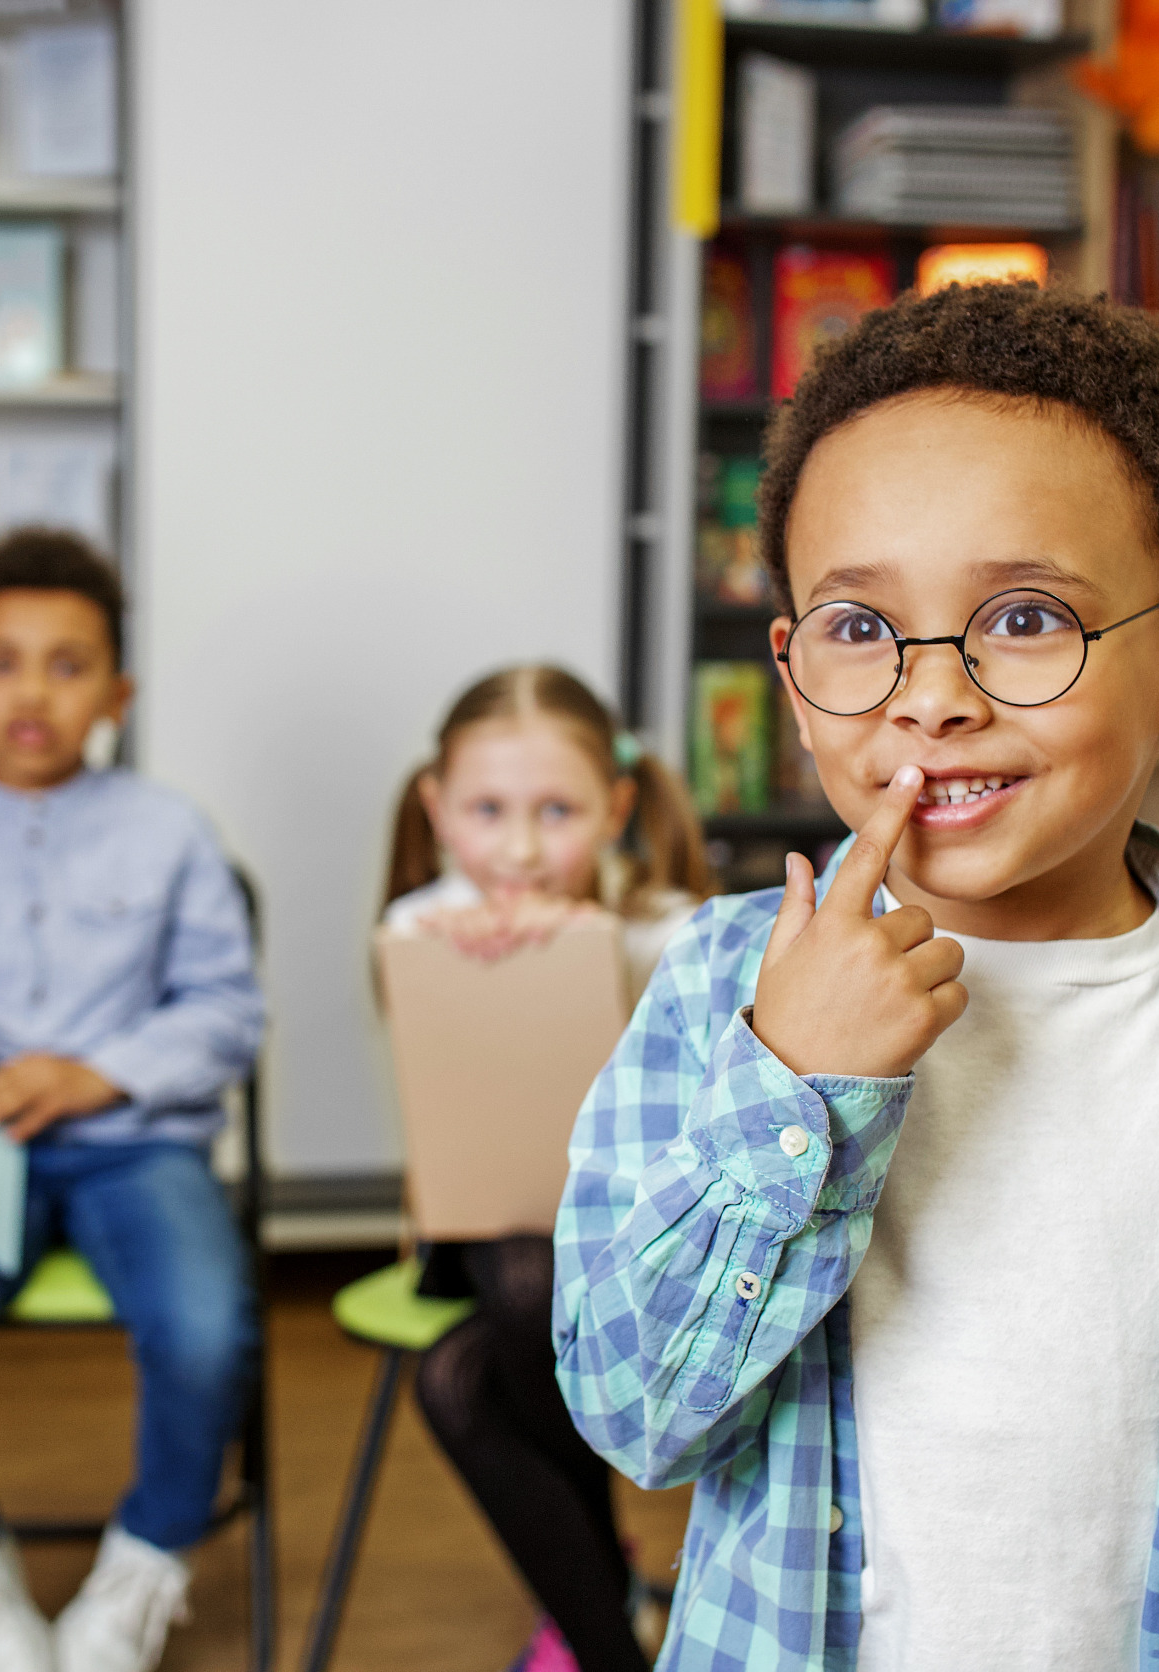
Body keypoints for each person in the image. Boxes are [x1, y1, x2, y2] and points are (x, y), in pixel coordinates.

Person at [554, 283, 1159, 1670]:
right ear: (796, 678)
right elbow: (638, 1416)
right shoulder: (718, 990)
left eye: (1030, 617)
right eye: (862, 630)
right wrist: (797, 1084)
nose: (933, 695)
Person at [0, 528, 265, 1672]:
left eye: (69, 665)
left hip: (134, 1147)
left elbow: (228, 1013)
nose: (34, 691)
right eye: (4, 661)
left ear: (116, 690)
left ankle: (145, 1565)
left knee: (209, 1330)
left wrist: (99, 1072)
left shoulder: (170, 831)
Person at [379, 664, 710, 1672]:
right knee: (525, 1283)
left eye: (557, 811)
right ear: (438, 809)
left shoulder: (671, 925)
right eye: (487, 810)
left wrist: (596, 952)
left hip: (632, 1238)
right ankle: (612, 1620)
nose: (520, 849)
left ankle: (598, 1624)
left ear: (615, 808)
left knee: (456, 1382)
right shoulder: (422, 926)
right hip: (481, 1234)